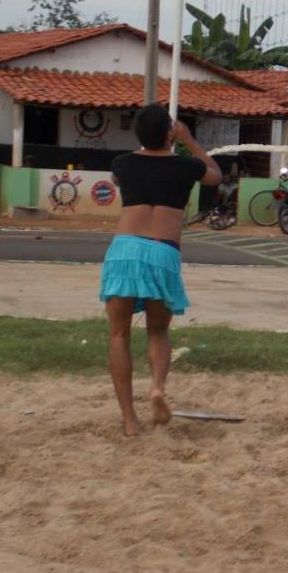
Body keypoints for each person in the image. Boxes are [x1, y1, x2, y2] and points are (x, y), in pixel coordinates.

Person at [99, 103, 222, 436]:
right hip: (162, 252)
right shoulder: (186, 166)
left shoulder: (122, 163)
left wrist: (155, 138)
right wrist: (189, 139)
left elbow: (117, 176)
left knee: (119, 335)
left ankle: (129, 421)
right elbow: (215, 174)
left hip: (124, 250)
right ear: (171, 133)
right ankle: (156, 387)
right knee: (157, 331)